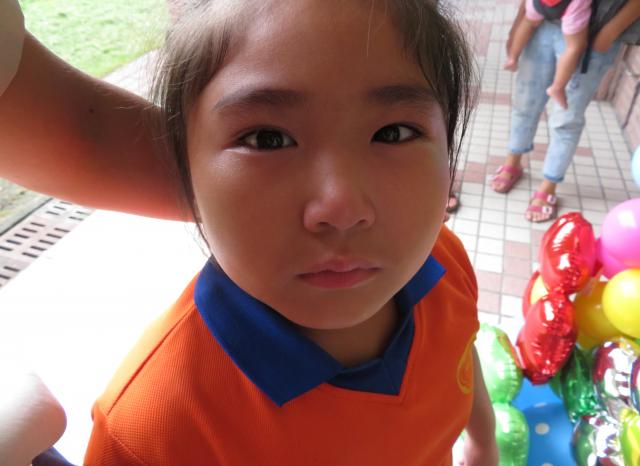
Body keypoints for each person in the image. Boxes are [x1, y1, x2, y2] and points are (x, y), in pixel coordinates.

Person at [1, 0, 498, 464]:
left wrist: (482, 440)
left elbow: (457, 349)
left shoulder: (443, 262)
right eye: (267, 139)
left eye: (393, 132)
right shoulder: (153, 432)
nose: (342, 209)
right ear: (184, 168)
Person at [491, 0, 640, 222]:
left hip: (594, 31)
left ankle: (548, 185)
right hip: (542, 21)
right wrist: (521, 19)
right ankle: (513, 161)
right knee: (525, 102)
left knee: (566, 118)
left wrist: (609, 32)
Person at [504, 0, 592, 110]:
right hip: (572, 6)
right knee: (574, 46)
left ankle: (513, 57)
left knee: (528, 22)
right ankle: (557, 87)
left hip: (540, 2)